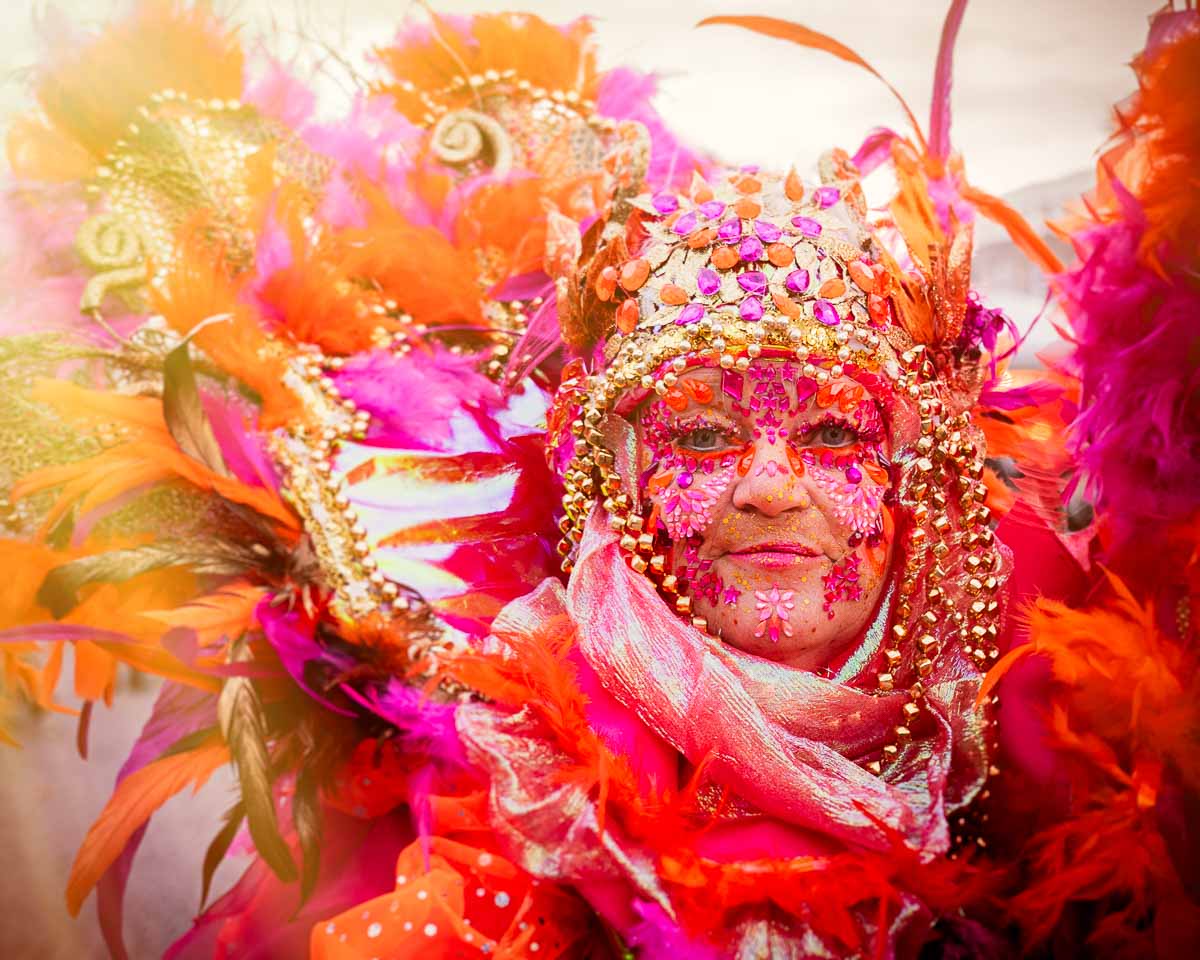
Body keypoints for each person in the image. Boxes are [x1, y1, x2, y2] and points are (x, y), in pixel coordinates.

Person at [0, 2, 1196, 957]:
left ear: (910, 468)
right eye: (704, 437)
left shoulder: (1042, 706)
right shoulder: (522, 784)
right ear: (607, 475)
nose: (770, 487)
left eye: (833, 433)